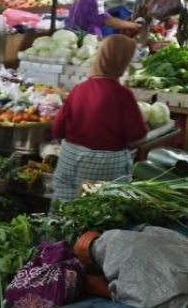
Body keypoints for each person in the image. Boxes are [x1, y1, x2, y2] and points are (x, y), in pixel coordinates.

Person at [51, 34, 148, 201]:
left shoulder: (78, 89)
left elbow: (57, 128)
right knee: (99, 211)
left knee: (62, 208)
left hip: (70, 158)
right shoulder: (123, 95)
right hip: (105, 164)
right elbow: (137, 135)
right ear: (123, 62)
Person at [67, 0, 143, 36]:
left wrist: (127, 22)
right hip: (86, 41)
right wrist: (134, 25)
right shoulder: (91, 2)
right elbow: (110, 21)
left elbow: (108, 18)